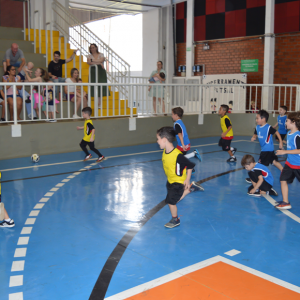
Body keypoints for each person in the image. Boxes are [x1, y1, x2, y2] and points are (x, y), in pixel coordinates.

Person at [156, 126, 204, 229]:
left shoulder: (177, 155)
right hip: (170, 181)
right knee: (174, 200)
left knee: (171, 201)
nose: (157, 141)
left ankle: (175, 219)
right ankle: (191, 188)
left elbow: (190, 165)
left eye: (158, 139)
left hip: (178, 182)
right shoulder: (165, 151)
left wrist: (187, 179)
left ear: (164, 139)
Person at [247, 110, 283, 184]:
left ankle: (256, 178)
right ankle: (284, 172)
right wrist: (253, 137)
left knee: (260, 165)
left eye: (257, 118)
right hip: (267, 149)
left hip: (267, 150)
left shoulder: (268, 127)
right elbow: (255, 133)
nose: (256, 120)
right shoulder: (257, 127)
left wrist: (281, 142)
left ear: (263, 119)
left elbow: (276, 132)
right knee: (274, 162)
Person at [275, 112, 300, 210]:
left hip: (298, 165)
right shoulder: (289, 133)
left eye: (287, 121)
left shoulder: (297, 136)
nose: (285, 123)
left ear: (293, 122)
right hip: (289, 164)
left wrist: (284, 151)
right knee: (283, 180)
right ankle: (286, 202)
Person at [87, 44, 109, 108]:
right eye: (91, 48)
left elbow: (101, 60)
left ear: (96, 48)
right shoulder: (89, 55)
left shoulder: (101, 54)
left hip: (100, 71)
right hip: (93, 71)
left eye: (93, 47)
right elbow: (89, 62)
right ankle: (93, 102)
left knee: (100, 86)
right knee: (93, 85)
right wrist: (99, 63)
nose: (92, 49)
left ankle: (99, 103)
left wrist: (93, 60)